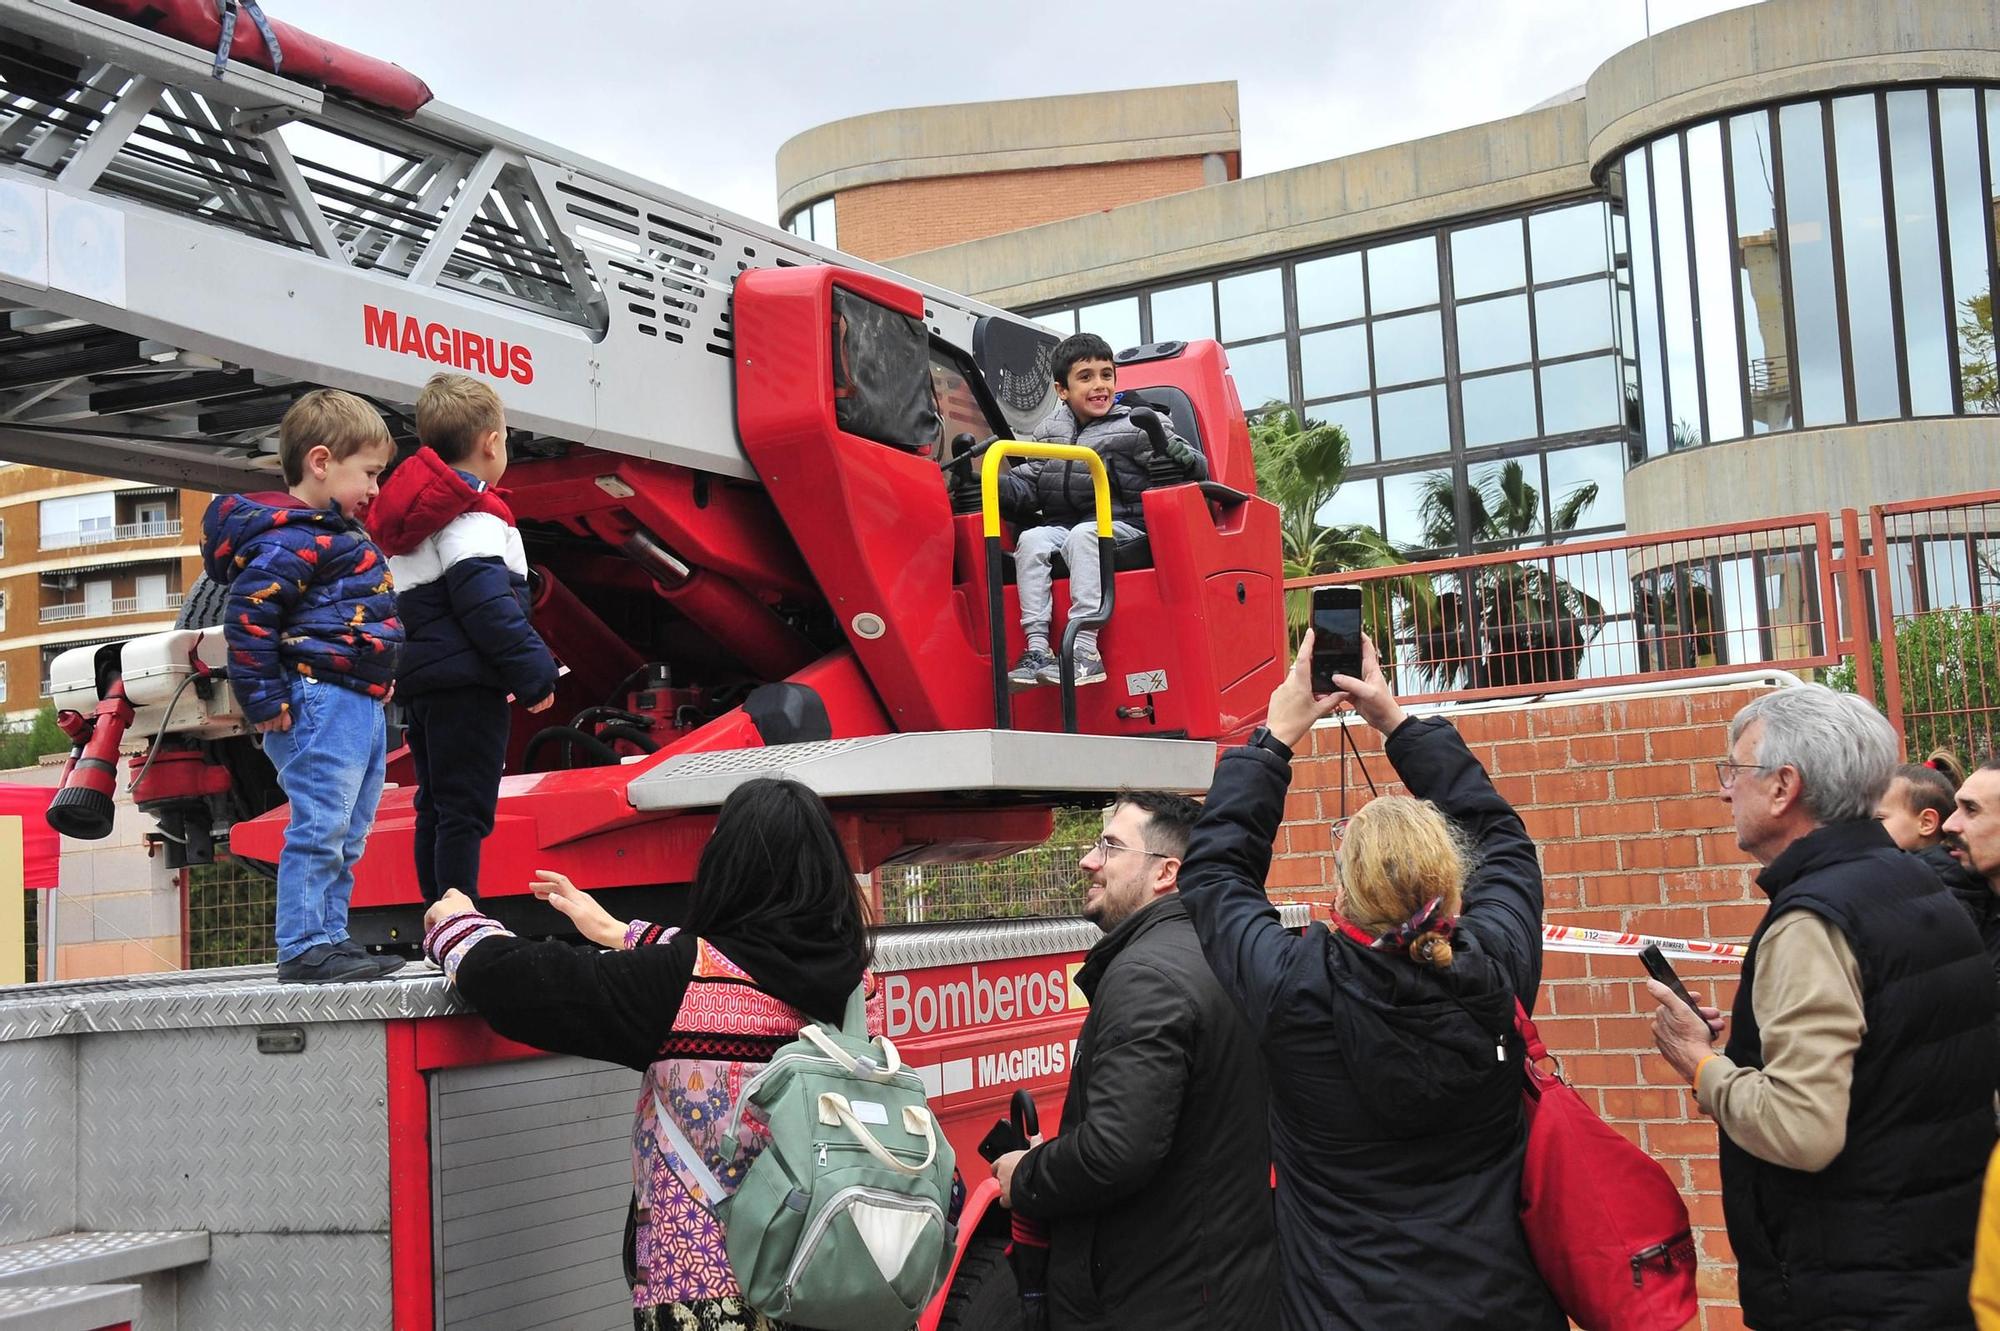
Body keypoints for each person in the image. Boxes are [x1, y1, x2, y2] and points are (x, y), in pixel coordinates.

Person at [1174, 631, 1562, 1331]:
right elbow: (1504, 839)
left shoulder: (1296, 990)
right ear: (1453, 887)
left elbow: (1214, 873)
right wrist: (1396, 721)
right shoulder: (1495, 969)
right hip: (1500, 1307)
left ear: (1341, 892)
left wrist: (1278, 735)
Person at [421, 778, 875, 1331]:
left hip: (706, 1295)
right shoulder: (859, 989)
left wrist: (458, 925)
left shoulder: (684, 988)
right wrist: (620, 932)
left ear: (726, 871)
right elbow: (743, 961)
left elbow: (524, 986)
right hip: (833, 1280)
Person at [1648, 685, 1996, 1330]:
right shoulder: (1916, 881)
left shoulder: (1814, 918)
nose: (1725, 789)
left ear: (1784, 787)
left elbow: (1800, 1128)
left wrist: (1700, 1063)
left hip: (1854, 1291)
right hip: (1938, 1268)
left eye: (1735, 770)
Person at [990, 790, 1277, 1330]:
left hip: (1154, 1304)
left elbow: (1117, 1151)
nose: (1087, 860)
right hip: (1215, 1292)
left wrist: (1027, 1173)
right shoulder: (1221, 953)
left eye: (1110, 846)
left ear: (1166, 873)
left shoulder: (1147, 977)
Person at [202, 389, 404, 984]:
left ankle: (330, 936)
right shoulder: (292, 536)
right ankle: (305, 944)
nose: (375, 489)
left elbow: (352, 615)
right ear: (321, 462)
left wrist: (376, 674)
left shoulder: (335, 533)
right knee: (322, 823)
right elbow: (250, 618)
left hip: (355, 700)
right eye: (368, 473)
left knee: (348, 827)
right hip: (317, 700)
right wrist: (264, 700)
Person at [369, 372, 559, 905]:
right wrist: (532, 669)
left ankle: (439, 914)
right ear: (492, 442)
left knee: (436, 803)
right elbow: (483, 599)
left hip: (426, 683)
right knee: (466, 807)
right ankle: (460, 916)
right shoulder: (471, 511)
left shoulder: (415, 515)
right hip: (467, 685)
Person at [999, 332, 1207, 690]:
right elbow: (1032, 483)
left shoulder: (1138, 423)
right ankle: (1037, 649)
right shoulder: (1049, 431)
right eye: (1086, 377)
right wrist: (995, 485)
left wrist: (1181, 457)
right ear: (1062, 390)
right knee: (1031, 539)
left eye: (1106, 375)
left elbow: (1192, 466)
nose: (1099, 385)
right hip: (1067, 524)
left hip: (1127, 523)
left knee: (1085, 535)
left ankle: (1084, 650)